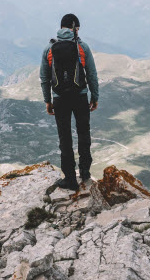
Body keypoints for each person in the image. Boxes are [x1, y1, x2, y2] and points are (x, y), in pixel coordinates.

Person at [40, 14, 99, 191]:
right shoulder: (82, 47)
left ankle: (70, 179)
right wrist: (94, 97)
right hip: (80, 96)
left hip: (60, 99)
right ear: (75, 28)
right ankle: (85, 173)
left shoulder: (49, 49)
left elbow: (44, 78)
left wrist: (48, 101)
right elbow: (92, 74)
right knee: (83, 133)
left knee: (64, 138)